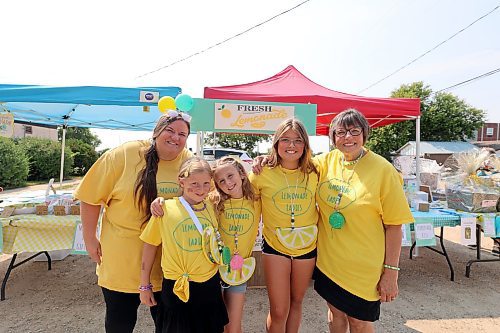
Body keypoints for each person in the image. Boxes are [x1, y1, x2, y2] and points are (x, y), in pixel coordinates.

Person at [74, 110, 192, 333]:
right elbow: (89, 196)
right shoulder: (125, 154)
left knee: (169, 326)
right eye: (170, 130)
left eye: (182, 134)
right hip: (122, 263)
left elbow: (212, 191)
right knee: (120, 323)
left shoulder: (188, 161)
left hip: (169, 265)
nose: (175, 137)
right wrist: (90, 238)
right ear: (156, 132)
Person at [313, 108, 414, 332]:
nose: (347, 137)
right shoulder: (324, 162)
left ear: (365, 134)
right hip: (330, 261)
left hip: (364, 268)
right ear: (333, 137)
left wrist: (391, 272)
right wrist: (265, 160)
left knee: (359, 321)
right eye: (340, 132)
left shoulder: (384, 170)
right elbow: (292, 165)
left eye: (354, 131)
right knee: (335, 314)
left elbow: (394, 226)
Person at [139, 157, 229, 333]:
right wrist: (144, 285)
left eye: (205, 183)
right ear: (181, 181)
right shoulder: (165, 209)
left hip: (209, 284)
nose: (200, 189)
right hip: (177, 287)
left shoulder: (211, 206)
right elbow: (150, 245)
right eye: (194, 183)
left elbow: (240, 185)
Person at [248, 118, 319, 333]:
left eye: (298, 140)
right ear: (276, 143)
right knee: (279, 310)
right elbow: (247, 207)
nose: (291, 145)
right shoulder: (261, 173)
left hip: (307, 247)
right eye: (285, 139)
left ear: (305, 145)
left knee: (297, 302)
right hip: (275, 247)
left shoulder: (316, 171)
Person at [210, 156, 261, 333]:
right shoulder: (213, 201)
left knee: (234, 325)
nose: (228, 183)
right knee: (216, 324)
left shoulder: (256, 199)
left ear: (241, 174)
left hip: (239, 269)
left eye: (230, 176)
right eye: (221, 181)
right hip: (214, 269)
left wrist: (261, 159)